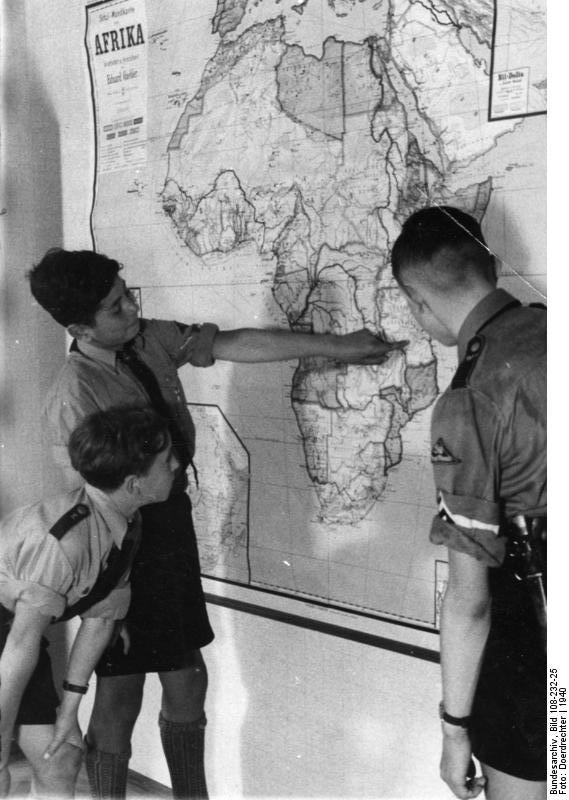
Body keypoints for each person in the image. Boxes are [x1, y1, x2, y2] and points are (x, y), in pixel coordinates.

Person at [27, 248, 405, 800]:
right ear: (80, 327)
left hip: (168, 525)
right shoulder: (74, 394)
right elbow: (91, 505)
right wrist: (109, 595)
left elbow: (231, 342)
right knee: (120, 692)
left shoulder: (145, 340)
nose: (132, 308)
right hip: (119, 548)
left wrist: (341, 347)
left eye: (128, 293)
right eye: (116, 307)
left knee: (187, 681)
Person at [391, 206, 546, 800]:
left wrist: (455, 730)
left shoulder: (470, 400)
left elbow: (469, 602)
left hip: (536, 648)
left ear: (417, 302)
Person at [0, 405, 178, 799]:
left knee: (60, 756)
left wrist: (68, 712)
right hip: (11, 639)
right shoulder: (66, 539)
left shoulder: (124, 522)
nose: (178, 464)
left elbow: (99, 621)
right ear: (134, 483)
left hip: (14, 632)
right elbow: (18, 646)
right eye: (167, 460)